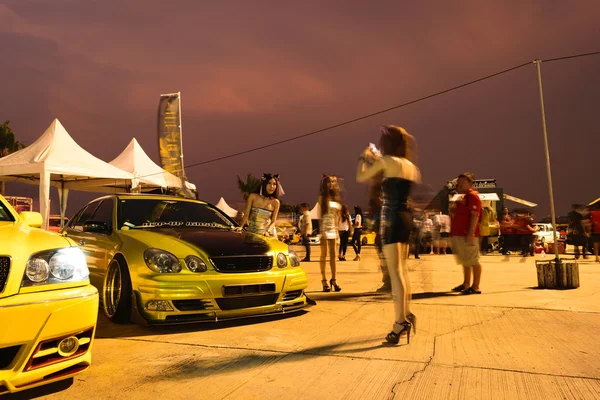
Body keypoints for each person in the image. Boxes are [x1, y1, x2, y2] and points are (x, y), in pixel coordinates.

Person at [357, 125, 420, 345]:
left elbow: (361, 176)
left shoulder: (386, 162)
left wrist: (364, 157)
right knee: (402, 272)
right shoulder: (411, 166)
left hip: (391, 219)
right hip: (405, 217)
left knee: (395, 274)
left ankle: (399, 322)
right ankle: (406, 312)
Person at [450, 172, 483, 295]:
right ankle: (466, 283)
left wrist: (471, 232)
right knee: (465, 260)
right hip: (459, 233)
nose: (460, 184)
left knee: (473, 260)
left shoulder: (472, 196)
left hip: (467, 233)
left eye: (463, 182)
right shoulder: (462, 197)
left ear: (469, 183)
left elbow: (475, 215)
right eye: (458, 182)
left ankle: (475, 286)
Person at [319, 175, 342, 292]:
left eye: (334, 181)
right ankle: (324, 280)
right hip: (324, 227)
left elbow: (337, 216)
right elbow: (320, 216)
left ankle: (334, 279)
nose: (332, 183)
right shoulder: (322, 197)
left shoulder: (336, 198)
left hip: (333, 228)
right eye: (330, 181)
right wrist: (320, 231)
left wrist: (337, 231)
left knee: (333, 256)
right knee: (324, 255)